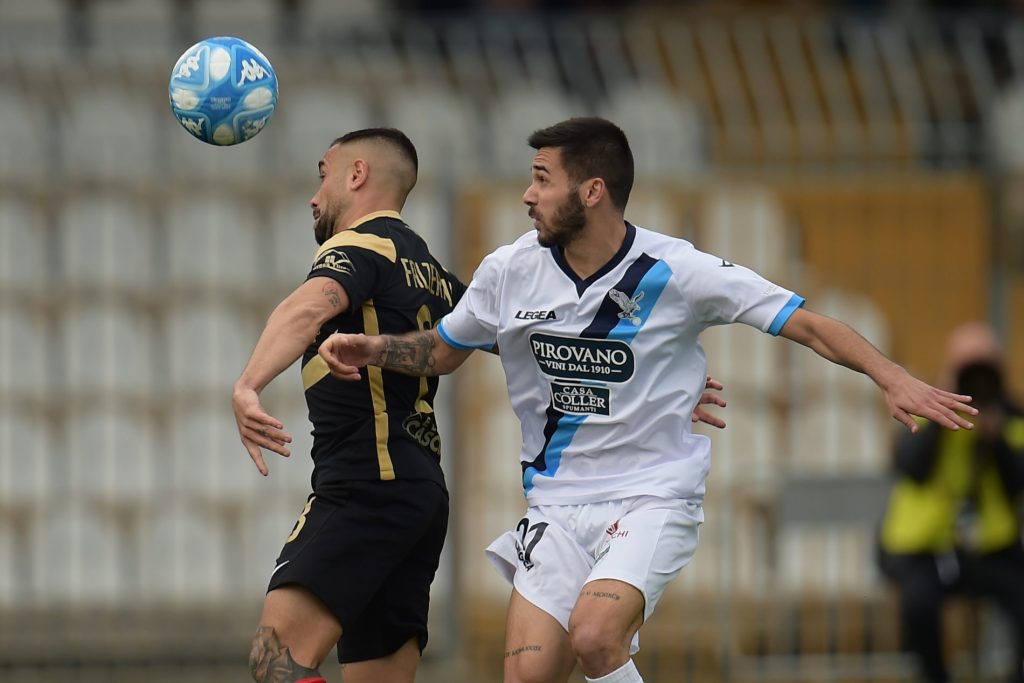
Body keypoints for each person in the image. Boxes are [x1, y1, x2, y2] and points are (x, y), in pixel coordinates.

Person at [317, 117, 975, 683]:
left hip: (650, 497)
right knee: (527, 673)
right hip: (555, 505)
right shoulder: (509, 270)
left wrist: (891, 376)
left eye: (543, 179)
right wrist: (375, 349)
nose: (527, 194)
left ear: (592, 191)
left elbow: (804, 322)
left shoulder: (677, 270)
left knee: (596, 636)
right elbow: (443, 349)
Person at [231, 128, 469, 683]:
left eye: (323, 175)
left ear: (357, 174)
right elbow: (505, 336)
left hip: (365, 481)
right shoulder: (437, 276)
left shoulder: (361, 245)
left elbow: (308, 308)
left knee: (275, 660)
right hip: (420, 492)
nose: (314, 196)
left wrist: (248, 384)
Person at [878, 322, 1024, 683]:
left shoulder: (1012, 418)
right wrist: (942, 409)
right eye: (966, 367)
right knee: (918, 606)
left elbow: (1017, 482)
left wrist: (995, 438)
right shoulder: (923, 406)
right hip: (924, 546)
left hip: (991, 546)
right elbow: (908, 466)